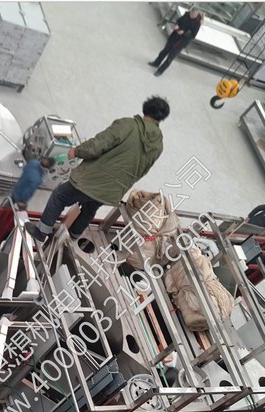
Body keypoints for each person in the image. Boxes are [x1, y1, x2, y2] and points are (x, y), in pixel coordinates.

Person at [27, 96, 168, 243]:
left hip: (92, 180)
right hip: (114, 190)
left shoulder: (128, 125)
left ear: (145, 108)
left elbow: (98, 145)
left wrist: (77, 151)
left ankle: (42, 231)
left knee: (60, 196)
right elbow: (142, 171)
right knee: (90, 208)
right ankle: (73, 236)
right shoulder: (158, 146)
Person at [149, 8, 204, 77]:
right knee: (165, 50)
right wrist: (177, 24)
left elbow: (193, 35)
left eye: (193, 15)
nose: (191, 15)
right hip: (175, 36)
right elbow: (179, 20)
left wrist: (184, 32)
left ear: (196, 14)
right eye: (191, 14)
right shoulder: (187, 14)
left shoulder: (197, 22)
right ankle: (156, 63)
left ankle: (160, 71)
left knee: (170, 57)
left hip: (181, 42)